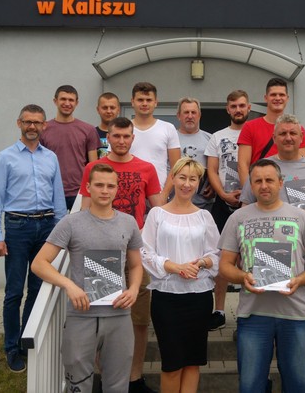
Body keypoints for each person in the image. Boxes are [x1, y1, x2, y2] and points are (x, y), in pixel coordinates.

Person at [218, 159, 305, 393]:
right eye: (258, 181)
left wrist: (300, 280)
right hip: (253, 315)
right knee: (250, 386)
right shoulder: (238, 218)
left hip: (295, 314)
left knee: (299, 386)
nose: (264, 185)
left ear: (280, 182)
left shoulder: (300, 217)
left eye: (269, 180)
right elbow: (225, 266)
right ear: (251, 185)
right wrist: (243, 277)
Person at [31, 163, 143, 393]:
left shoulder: (128, 222)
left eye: (110, 186)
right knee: (78, 385)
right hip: (81, 315)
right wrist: (68, 285)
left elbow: (135, 265)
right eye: (99, 185)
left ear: (117, 189)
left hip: (119, 315)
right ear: (88, 187)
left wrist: (133, 290)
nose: (105, 190)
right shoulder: (71, 223)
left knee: (117, 386)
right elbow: (39, 263)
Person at [79, 116, 164, 393]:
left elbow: (159, 211)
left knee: (138, 320)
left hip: (135, 254)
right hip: (102, 254)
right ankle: (105, 378)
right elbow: (84, 212)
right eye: (116, 136)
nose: (121, 141)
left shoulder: (146, 168)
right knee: (101, 320)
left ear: (133, 138)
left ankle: (134, 379)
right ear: (109, 138)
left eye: (127, 136)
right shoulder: (93, 168)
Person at [0, 104, 67, 372]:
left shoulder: (51, 158)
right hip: (17, 227)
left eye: (37, 122)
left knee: (37, 288)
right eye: (27, 122)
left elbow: (58, 197)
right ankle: (11, 347)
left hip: (46, 227)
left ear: (44, 125)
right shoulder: (5, 157)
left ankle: (26, 341)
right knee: (14, 291)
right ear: (19, 123)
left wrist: (61, 232)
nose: (32, 126)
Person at [140, 157, 220, 393]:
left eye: (193, 179)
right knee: (172, 364)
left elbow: (216, 254)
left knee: (193, 362)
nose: (187, 184)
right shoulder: (157, 214)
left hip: (199, 297)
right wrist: (175, 267)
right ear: (173, 178)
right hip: (167, 298)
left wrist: (201, 263)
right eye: (182, 177)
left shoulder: (204, 216)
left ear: (198, 183)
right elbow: (145, 252)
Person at [204, 89, 250, 329]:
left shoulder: (256, 131)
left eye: (242, 105)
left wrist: (248, 195)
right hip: (223, 204)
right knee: (222, 256)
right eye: (233, 106)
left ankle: (247, 311)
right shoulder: (217, 136)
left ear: (248, 107)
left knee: (248, 257)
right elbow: (212, 169)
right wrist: (222, 194)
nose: (238, 110)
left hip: (251, 203)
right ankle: (219, 310)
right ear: (228, 109)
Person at [236, 77, 305, 186]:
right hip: (261, 188)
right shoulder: (249, 127)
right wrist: (250, 192)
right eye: (273, 95)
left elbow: (303, 164)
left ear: (287, 98)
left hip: (290, 187)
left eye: (281, 95)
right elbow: (242, 165)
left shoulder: (297, 129)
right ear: (266, 98)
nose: (277, 98)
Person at [39, 85, 99, 210]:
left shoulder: (88, 130)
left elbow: (93, 166)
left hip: (80, 192)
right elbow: (38, 162)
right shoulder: (43, 129)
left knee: (81, 223)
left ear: (77, 103)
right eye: (63, 99)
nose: (67, 103)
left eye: (71, 100)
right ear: (55, 101)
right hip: (51, 191)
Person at [129, 82, 181, 190]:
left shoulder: (168, 128)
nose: (144, 103)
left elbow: (176, 167)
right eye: (140, 100)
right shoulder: (122, 128)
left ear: (156, 102)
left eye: (149, 100)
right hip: (127, 193)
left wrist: (164, 194)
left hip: (158, 193)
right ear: (132, 102)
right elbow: (112, 162)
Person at [174, 97, 214, 210]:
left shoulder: (210, 139)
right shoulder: (171, 138)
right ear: (178, 115)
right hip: (174, 201)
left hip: (203, 203)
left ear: (199, 115)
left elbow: (216, 168)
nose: (190, 116)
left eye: (193, 112)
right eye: (186, 112)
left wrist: (214, 185)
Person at [95, 92, 121, 159]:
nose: (108, 111)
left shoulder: (125, 135)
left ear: (118, 110)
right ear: (98, 110)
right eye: (105, 108)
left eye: (112, 108)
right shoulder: (91, 133)